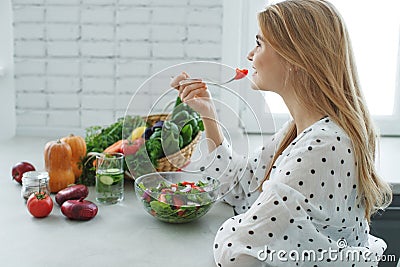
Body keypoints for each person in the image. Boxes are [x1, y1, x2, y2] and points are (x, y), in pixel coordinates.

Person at [170, 0, 392, 266]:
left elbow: (236, 251)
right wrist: (208, 113)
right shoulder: (302, 129)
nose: (250, 55)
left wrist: (235, 224)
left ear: (295, 59)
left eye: (260, 44)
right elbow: (242, 186)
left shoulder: (322, 145)